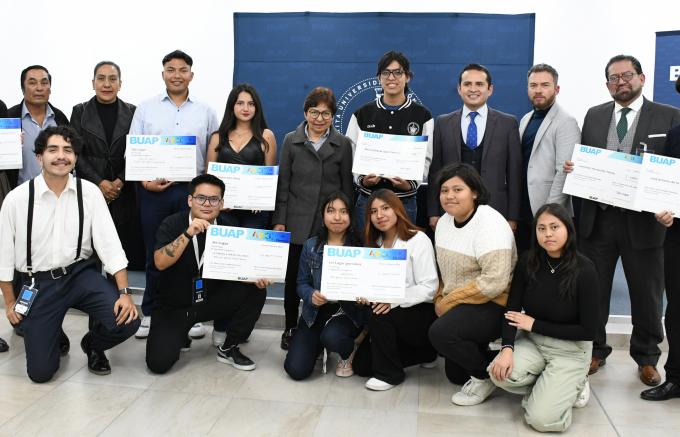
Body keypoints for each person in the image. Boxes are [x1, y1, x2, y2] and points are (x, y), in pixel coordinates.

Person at [568, 55, 680, 385]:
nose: (621, 82)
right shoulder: (594, 115)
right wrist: (576, 170)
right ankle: (596, 351)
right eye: (614, 78)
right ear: (607, 85)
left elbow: (675, 170)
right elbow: (587, 159)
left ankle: (646, 357)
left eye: (627, 75)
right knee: (594, 291)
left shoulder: (669, 116)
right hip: (597, 221)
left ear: (642, 78)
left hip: (645, 223)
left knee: (647, 294)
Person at [0, 125, 139, 382]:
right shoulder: (17, 200)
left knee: (128, 320)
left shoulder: (90, 193)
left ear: (75, 157)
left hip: (79, 275)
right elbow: (4, 257)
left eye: (68, 150)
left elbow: (110, 246)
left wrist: (125, 293)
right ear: (39, 157)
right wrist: (9, 303)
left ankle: (93, 344)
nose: (61, 156)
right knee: (41, 373)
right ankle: (52, 331)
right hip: (37, 283)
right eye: (53, 150)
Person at [130, 50, 218, 340]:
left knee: (193, 254)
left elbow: (212, 155)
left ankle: (191, 313)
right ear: (163, 74)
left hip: (190, 193)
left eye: (183, 70)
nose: (177, 74)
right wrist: (145, 181)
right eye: (171, 69)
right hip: (154, 194)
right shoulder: (145, 109)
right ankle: (150, 311)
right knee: (153, 254)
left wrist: (204, 191)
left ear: (191, 75)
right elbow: (134, 150)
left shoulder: (205, 111)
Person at [489, 203, 599, 432]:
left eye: (554, 227)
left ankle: (575, 383)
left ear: (568, 229)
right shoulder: (528, 261)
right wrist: (507, 348)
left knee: (542, 421)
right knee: (498, 373)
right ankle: (551, 387)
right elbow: (511, 310)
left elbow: (589, 331)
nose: (548, 234)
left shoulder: (585, 269)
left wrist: (534, 324)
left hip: (571, 350)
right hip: (534, 343)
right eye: (541, 228)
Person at [145, 174, 267, 374]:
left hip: (209, 302)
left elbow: (240, 267)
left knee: (255, 290)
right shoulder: (172, 223)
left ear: (221, 203)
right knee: (158, 364)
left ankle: (229, 347)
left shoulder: (230, 227)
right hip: (173, 306)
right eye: (201, 198)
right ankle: (180, 334)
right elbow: (159, 263)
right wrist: (187, 234)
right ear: (190, 200)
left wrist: (256, 277)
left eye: (214, 199)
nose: (207, 204)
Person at [427, 163, 517, 405]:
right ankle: (500, 362)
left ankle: (484, 377)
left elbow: (494, 282)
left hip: (494, 303)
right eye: (444, 190)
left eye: (458, 189)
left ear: (474, 192)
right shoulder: (445, 222)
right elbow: (443, 271)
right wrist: (439, 298)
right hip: (461, 302)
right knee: (455, 375)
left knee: (440, 333)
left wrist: (448, 302)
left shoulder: (491, 223)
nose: (449, 196)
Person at [272, 87, 354, 350]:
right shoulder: (290, 140)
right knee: (293, 279)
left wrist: (344, 218)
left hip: (328, 222)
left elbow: (345, 188)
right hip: (295, 220)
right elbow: (283, 183)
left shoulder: (342, 144)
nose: (320, 118)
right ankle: (289, 327)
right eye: (314, 112)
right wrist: (280, 220)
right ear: (305, 112)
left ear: (333, 116)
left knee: (326, 278)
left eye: (326, 113)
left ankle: (322, 326)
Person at [205, 84, 277, 346]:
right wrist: (217, 204)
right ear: (232, 106)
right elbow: (208, 180)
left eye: (251, 103)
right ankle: (221, 325)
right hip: (225, 214)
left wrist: (261, 197)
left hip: (255, 216)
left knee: (251, 272)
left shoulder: (266, 136)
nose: (245, 108)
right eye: (240, 103)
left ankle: (240, 328)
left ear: (256, 108)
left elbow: (270, 176)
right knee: (225, 271)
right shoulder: (218, 137)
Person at [352, 188, 439, 391]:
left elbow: (430, 287)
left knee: (380, 314)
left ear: (398, 209)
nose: (379, 215)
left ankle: (390, 375)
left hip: (420, 314)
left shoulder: (418, 239)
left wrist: (394, 300)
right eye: (373, 212)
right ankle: (426, 353)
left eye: (385, 208)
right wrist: (364, 294)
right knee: (362, 366)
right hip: (390, 315)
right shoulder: (375, 245)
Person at [283, 191, 369, 380]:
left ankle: (348, 350)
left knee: (333, 337)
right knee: (296, 370)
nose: (337, 217)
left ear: (351, 217)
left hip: (347, 313)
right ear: (323, 216)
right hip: (314, 313)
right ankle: (319, 346)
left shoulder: (362, 247)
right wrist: (310, 294)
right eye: (331, 211)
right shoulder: (311, 246)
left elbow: (370, 284)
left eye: (343, 211)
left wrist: (365, 296)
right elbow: (301, 283)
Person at [345, 50, 434, 232]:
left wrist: (411, 183)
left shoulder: (422, 115)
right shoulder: (361, 114)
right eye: (386, 73)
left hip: (405, 201)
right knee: (368, 254)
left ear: (407, 77)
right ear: (378, 78)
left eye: (398, 72)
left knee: (401, 255)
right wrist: (363, 180)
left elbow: (427, 157)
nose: (391, 77)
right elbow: (350, 153)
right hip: (368, 200)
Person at [427, 64, 521, 233]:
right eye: (467, 84)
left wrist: (512, 217)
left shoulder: (508, 124)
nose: (473, 89)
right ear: (459, 88)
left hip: (496, 211)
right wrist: (433, 212)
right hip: (452, 211)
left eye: (479, 84)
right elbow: (435, 171)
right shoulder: (442, 123)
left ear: (490, 89)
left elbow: (515, 174)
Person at [71, 61, 143, 269]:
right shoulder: (80, 111)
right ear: (93, 83)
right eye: (101, 78)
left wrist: (120, 180)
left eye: (113, 79)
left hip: (124, 192)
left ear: (120, 84)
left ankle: (120, 293)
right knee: (88, 245)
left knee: (119, 249)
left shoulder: (133, 112)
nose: (107, 84)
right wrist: (99, 182)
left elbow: (139, 152)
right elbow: (76, 152)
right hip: (89, 188)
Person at [641, 75, 680, 401]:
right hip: (677, 234)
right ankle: (677, 377)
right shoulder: (677, 133)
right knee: (676, 309)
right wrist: (663, 209)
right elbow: (664, 181)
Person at [516, 64, 580, 252]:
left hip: (548, 210)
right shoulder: (526, 118)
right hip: (524, 206)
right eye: (533, 85)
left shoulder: (566, 121)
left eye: (545, 85)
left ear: (556, 89)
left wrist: (550, 213)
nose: (538, 90)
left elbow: (564, 171)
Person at [7, 65, 69, 188]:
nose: (39, 88)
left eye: (44, 83)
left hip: (58, 193)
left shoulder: (60, 118)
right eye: (32, 83)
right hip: (20, 196)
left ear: (50, 88)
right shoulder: (9, 118)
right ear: (23, 88)